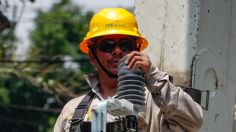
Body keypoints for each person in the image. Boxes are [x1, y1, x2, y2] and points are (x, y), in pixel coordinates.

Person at [54, 8, 203, 132]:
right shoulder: (72, 111)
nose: (118, 51)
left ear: (137, 50)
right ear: (92, 55)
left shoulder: (156, 101)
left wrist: (152, 74)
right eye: (108, 45)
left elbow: (193, 122)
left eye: (125, 45)